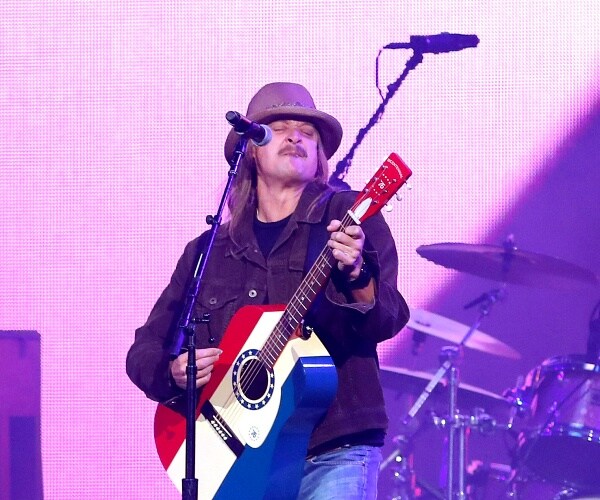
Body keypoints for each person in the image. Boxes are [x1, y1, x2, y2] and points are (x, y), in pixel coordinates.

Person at [126, 82, 410, 499]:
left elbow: (388, 316)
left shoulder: (347, 216)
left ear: (319, 156)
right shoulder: (208, 251)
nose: (295, 136)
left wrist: (356, 275)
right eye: (279, 128)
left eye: (308, 132)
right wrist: (172, 372)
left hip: (332, 449)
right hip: (237, 461)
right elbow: (145, 348)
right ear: (251, 151)